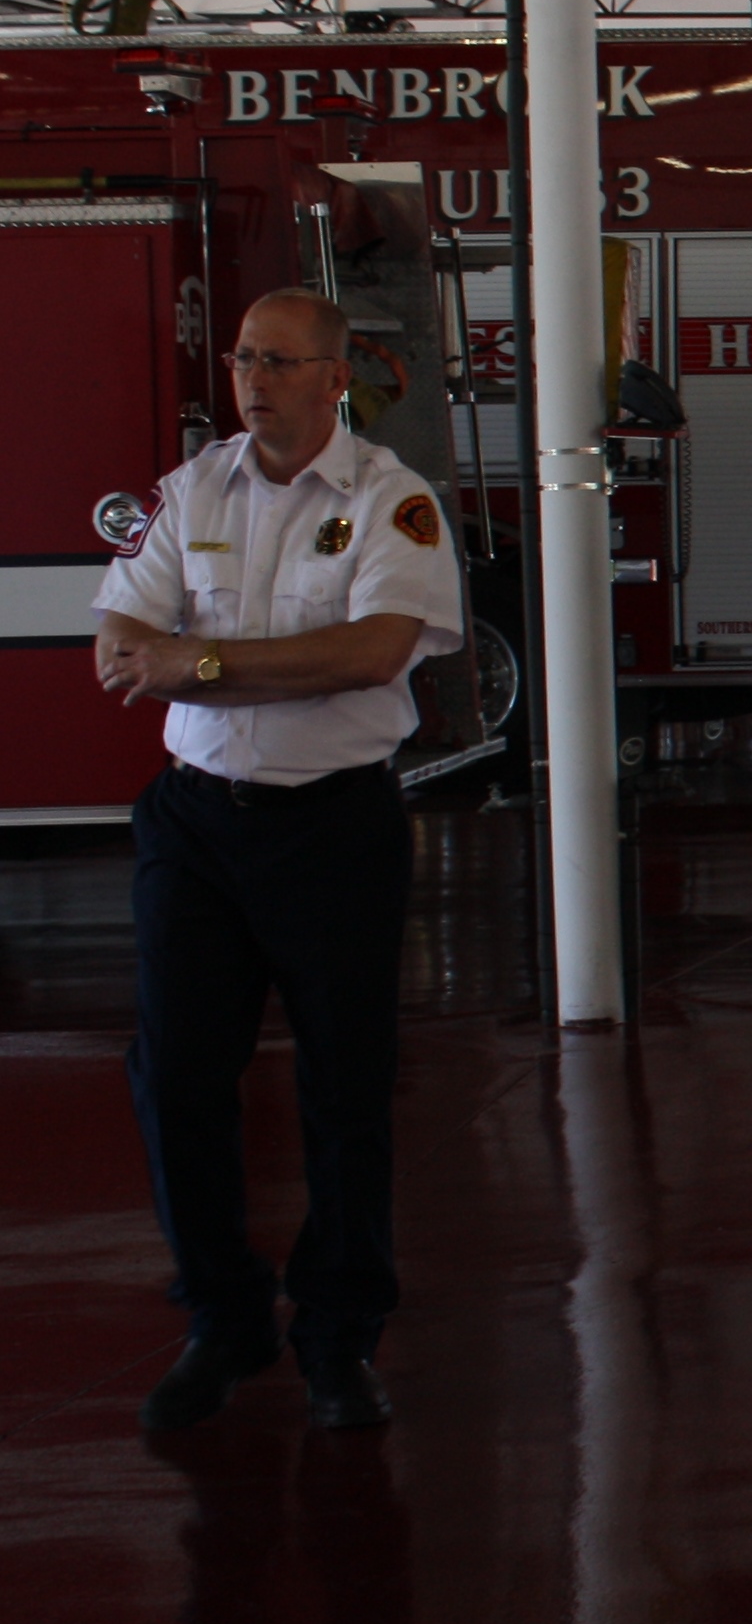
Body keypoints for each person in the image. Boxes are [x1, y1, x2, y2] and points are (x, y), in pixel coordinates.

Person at [90, 288, 464, 1434]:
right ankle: (225, 1318)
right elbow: (119, 641)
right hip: (195, 824)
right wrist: (210, 662)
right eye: (245, 357)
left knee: (344, 1090)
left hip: (330, 828)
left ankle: (338, 1339)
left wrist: (198, 663)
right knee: (174, 1076)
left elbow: (371, 652)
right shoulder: (192, 489)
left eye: (280, 360)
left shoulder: (390, 502)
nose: (253, 379)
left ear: (335, 378)